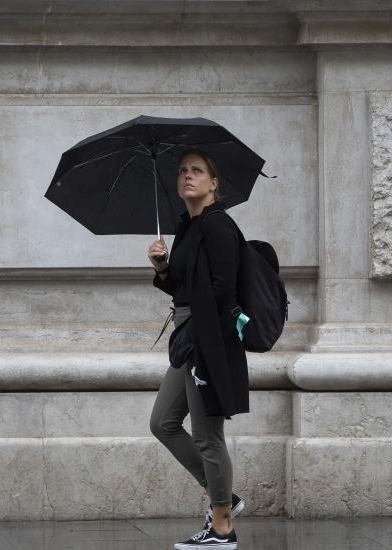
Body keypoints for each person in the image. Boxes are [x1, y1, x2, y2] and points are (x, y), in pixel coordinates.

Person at [147, 149, 250, 550]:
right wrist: (162, 269)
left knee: (208, 435)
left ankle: (222, 526)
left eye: (197, 171)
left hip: (207, 338)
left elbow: (226, 288)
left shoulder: (218, 225)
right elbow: (185, 288)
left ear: (213, 182)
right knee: (163, 423)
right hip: (188, 334)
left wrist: (203, 339)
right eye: (182, 171)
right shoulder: (187, 228)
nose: (187, 176)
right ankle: (224, 494)